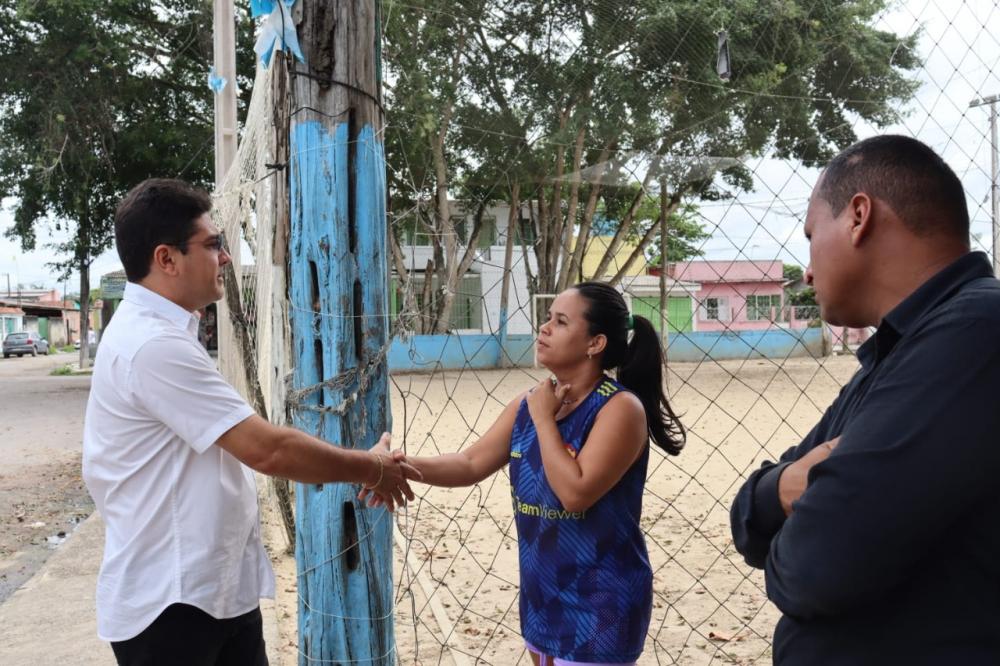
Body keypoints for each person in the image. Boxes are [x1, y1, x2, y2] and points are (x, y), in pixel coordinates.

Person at [82, 178, 420, 665]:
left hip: (211, 590)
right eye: (213, 244)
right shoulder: (152, 344)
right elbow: (268, 450)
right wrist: (371, 468)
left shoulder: (164, 332)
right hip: (172, 603)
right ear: (166, 259)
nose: (223, 258)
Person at [730, 135, 1000, 664]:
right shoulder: (901, 350)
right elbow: (748, 518)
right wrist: (779, 488)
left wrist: (785, 511)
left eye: (810, 236)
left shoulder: (975, 330)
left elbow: (817, 568)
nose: (806, 271)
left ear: (858, 217)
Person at [362, 281, 685, 665]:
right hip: (541, 599)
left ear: (594, 344)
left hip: (601, 606)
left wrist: (544, 420)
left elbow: (576, 492)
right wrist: (396, 467)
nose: (544, 328)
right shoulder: (529, 403)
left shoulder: (619, 408)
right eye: (548, 318)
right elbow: (469, 464)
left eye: (561, 322)